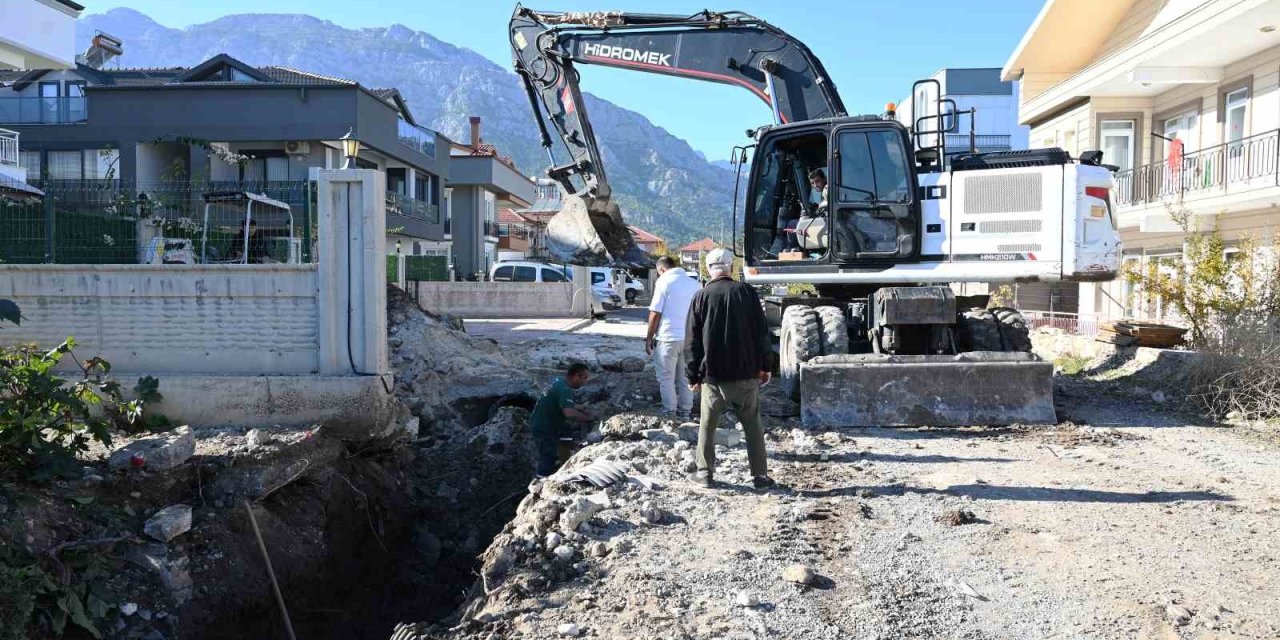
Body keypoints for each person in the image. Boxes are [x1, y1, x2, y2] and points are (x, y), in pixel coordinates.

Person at [683, 248, 775, 490]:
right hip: (746, 375)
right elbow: (761, 334)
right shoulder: (747, 293)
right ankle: (760, 477)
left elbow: (691, 341)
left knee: (707, 425)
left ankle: (705, 474)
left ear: (707, 269)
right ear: (731, 268)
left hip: (713, 377)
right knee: (753, 426)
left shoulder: (701, 296)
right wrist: (766, 366)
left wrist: (692, 374)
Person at [645, 256, 701, 418]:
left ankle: (669, 412)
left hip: (667, 338)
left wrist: (649, 337)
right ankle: (685, 412)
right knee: (685, 378)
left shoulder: (664, 282)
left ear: (662, 269)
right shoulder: (695, 284)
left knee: (666, 378)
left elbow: (655, 312)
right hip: (689, 339)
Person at [529, 363, 593, 477]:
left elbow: (561, 404)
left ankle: (565, 460)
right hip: (544, 428)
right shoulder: (565, 389)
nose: (585, 382)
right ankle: (541, 482)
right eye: (584, 378)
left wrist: (578, 407)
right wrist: (588, 418)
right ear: (576, 376)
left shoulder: (559, 382)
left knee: (566, 430)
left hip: (542, 422)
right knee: (547, 457)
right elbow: (569, 413)